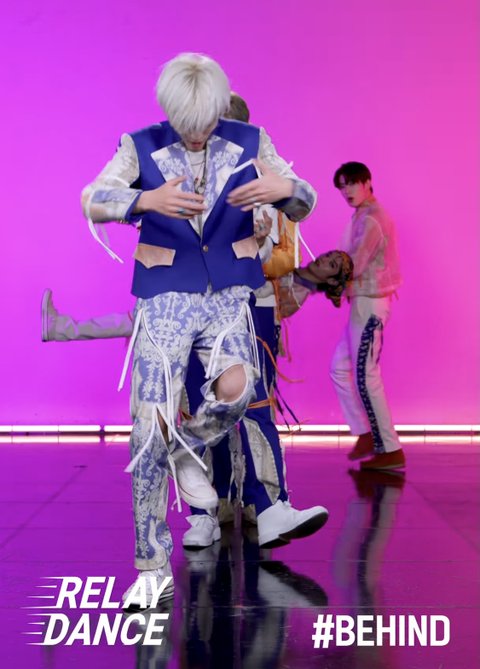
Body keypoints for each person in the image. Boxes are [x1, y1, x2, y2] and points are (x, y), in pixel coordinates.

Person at [81, 53, 325, 609]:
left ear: (219, 109)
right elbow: (92, 198)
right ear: (169, 111)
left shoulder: (250, 140)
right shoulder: (139, 145)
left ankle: (187, 448)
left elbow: (305, 200)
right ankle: (150, 566)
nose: (197, 134)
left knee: (238, 392)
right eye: (187, 125)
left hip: (228, 297)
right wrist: (145, 199)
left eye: (207, 123)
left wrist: (281, 189)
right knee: (148, 428)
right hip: (165, 297)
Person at [329, 161, 405, 470]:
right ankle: (365, 433)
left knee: (366, 375)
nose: (346, 191)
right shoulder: (362, 215)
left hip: (371, 305)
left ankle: (389, 449)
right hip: (362, 304)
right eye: (342, 187)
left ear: (367, 182)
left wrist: (320, 278)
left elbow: (354, 264)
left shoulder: (373, 218)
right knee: (340, 368)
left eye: (351, 183)